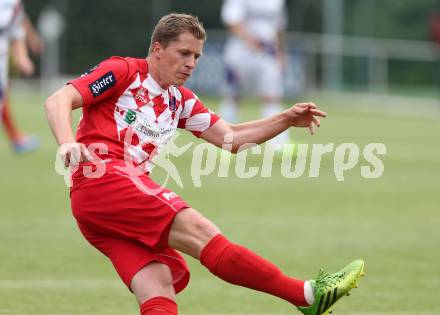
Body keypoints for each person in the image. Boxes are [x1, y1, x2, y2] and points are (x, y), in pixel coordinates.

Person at [45, 13, 364, 315]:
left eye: (196, 57)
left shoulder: (179, 100)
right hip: (105, 178)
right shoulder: (124, 71)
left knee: (158, 284)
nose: (191, 64)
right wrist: (66, 142)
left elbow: (231, 138)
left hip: (98, 204)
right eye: (184, 53)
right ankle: (307, 295)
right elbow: (59, 99)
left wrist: (285, 118)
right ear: (157, 49)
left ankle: (306, 297)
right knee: (200, 232)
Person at [219, 0, 290, 145]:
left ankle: (279, 144)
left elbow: (278, 27)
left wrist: (281, 52)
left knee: (272, 96)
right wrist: (249, 40)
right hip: (240, 51)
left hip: (268, 52)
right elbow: (232, 20)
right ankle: (224, 142)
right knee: (233, 96)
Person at [0, 0, 40, 153]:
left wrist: (22, 57)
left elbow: (16, 31)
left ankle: (17, 139)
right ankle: (17, 139)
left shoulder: (13, 4)